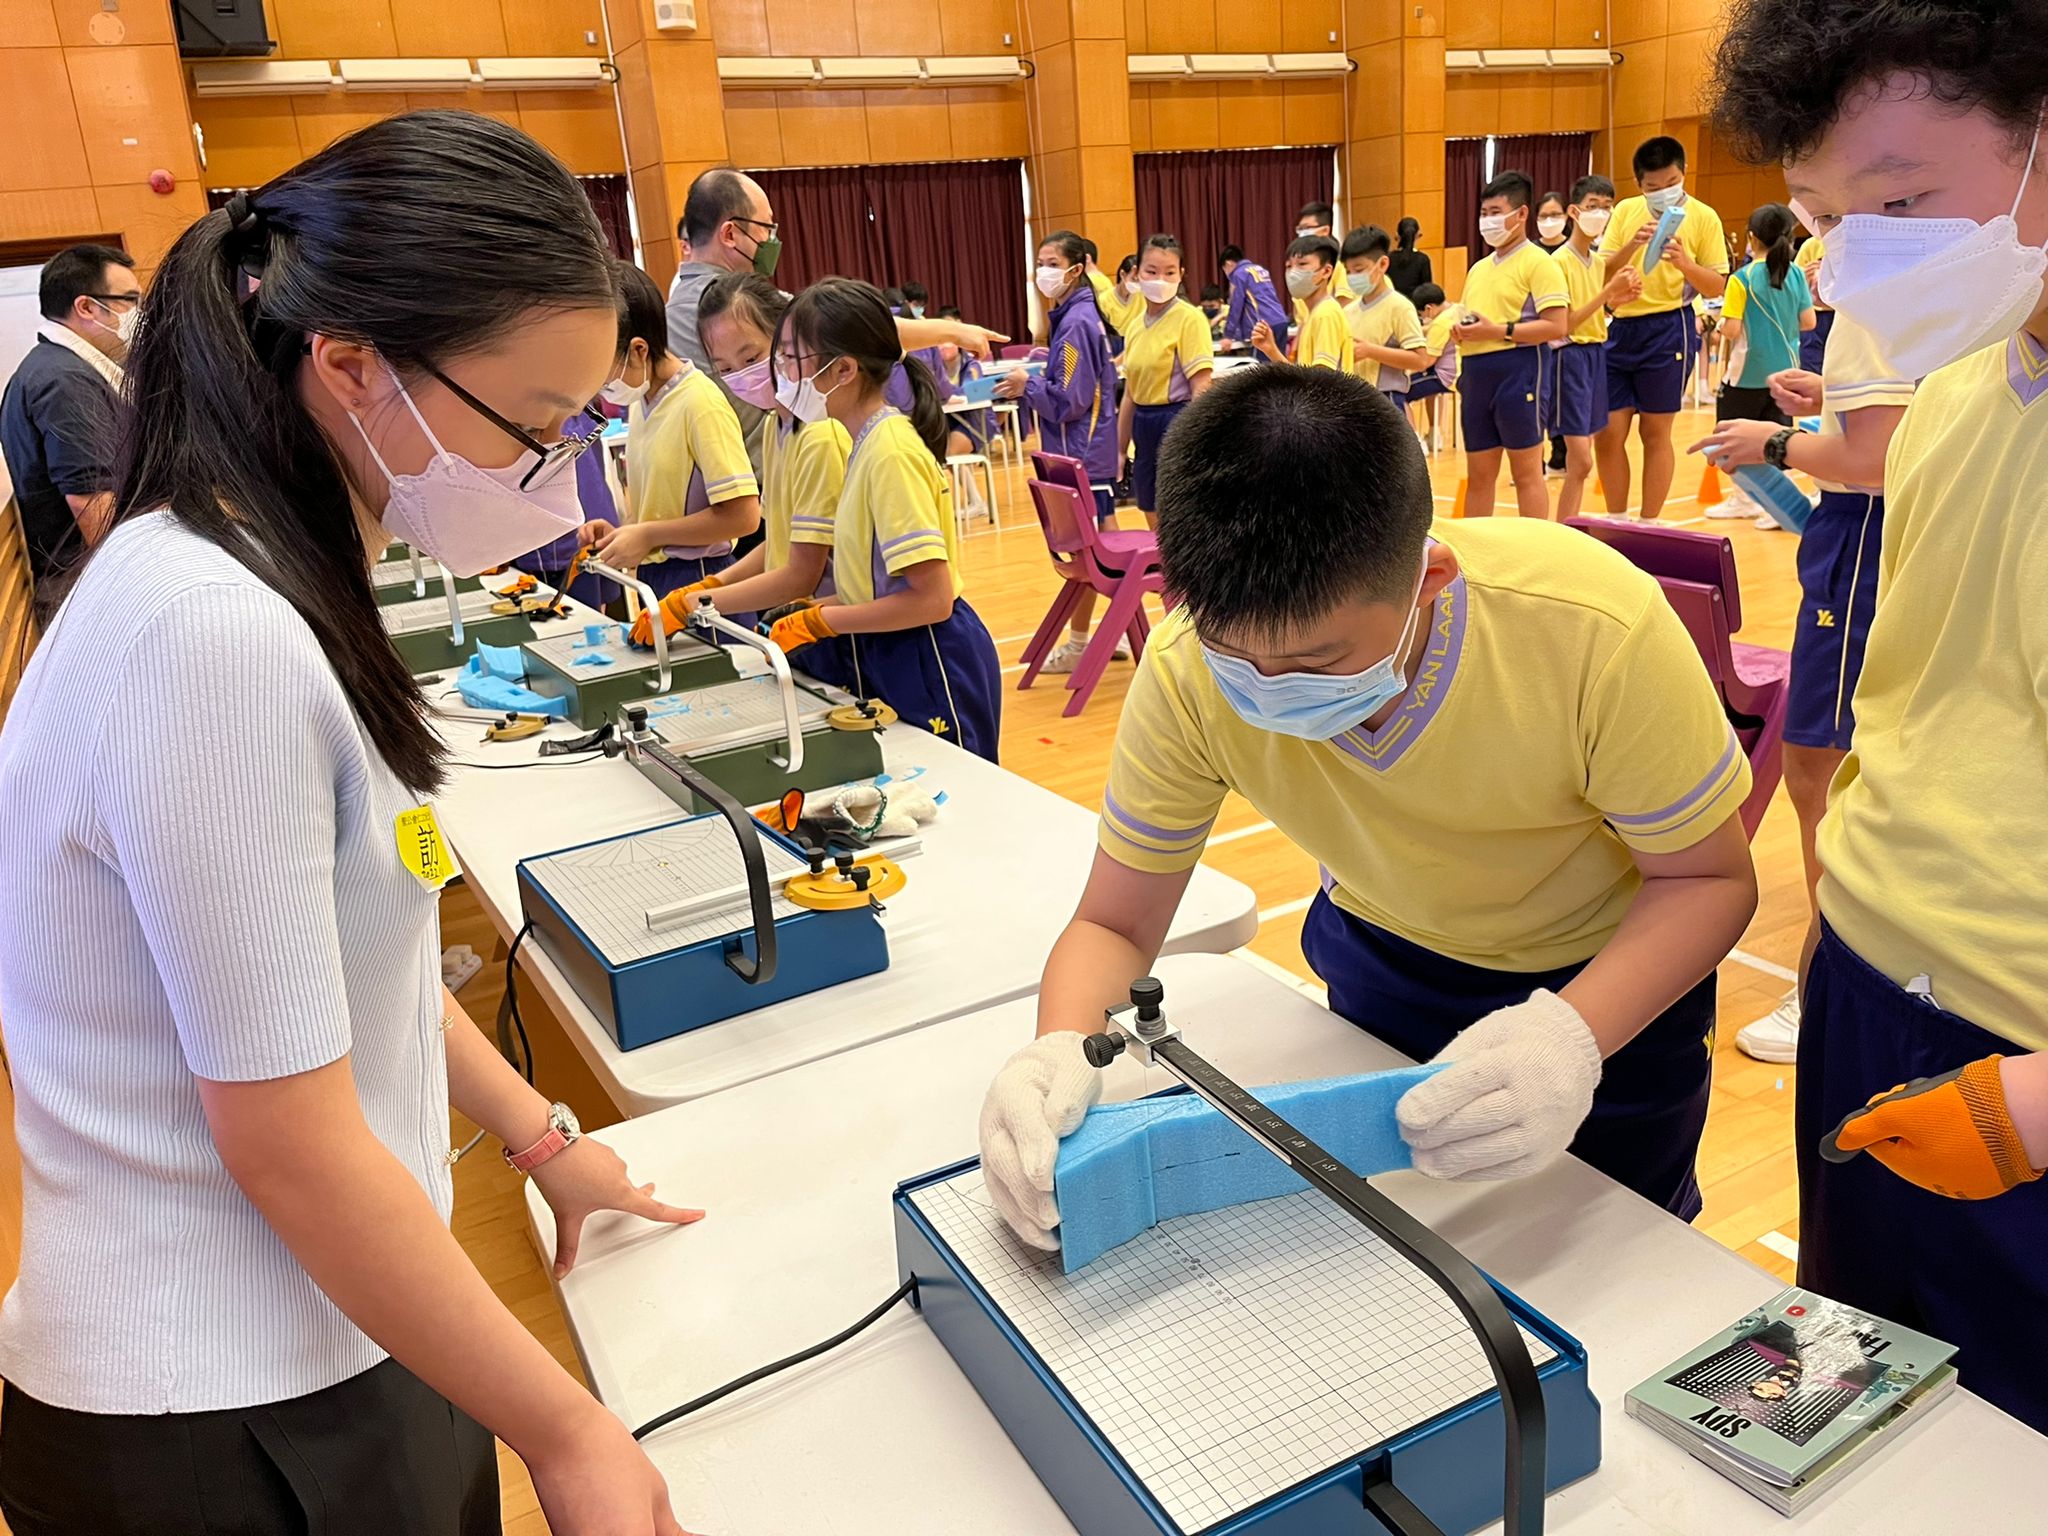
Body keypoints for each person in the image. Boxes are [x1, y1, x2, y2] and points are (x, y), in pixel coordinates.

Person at [0, 111, 695, 1536]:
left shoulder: (264, 569)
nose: (561, 479)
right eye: (534, 429)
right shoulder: (211, 634)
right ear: (353, 365)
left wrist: (541, 1138)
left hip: (329, 1333)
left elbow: (329, 958)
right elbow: (292, 1142)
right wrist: (569, 1433)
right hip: (221, 1409)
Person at [975, 367, 1758, 1253]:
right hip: (1376, 967)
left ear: (1429, 579)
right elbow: (1116, 924)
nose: (1269, 688)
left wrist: (1570, 1039)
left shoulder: (1587, 626)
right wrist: (1056, 1053)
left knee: (1610, 1265)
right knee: (1393, 1251)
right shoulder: (1186, 669)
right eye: (1238, 655)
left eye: (1316, 658)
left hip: (1605, 991)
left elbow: (1707, 879)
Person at [1707, 0, 2048, 1434]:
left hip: (2021, 1059)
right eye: (1826, 217)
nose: (1860, 260)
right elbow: (1921, 712)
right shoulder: (1967, 392)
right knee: (1837, 1422)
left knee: (2005, 1452)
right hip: (1869, 990)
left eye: (1906, 203)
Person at [1688, 311, 1908, 1065]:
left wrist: (1773, 443)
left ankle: (1827, 984)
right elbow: (1906, 417)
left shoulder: (1895, 297)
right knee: (1827, 760)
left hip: (1865, 530)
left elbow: (1878, 459)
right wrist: (1831, 401)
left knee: (1820, 764)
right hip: (1859, 530)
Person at [761, 277, 1002, 761]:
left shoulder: (889, 452)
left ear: (843, 369)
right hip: (893, 647)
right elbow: (877, 581)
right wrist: (815, 611)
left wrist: (824, 620)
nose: (782, 372)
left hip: (931, 654)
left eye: (792, 359)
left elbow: (931, 600)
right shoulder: (862, 441)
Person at [666, 169, 1007, 479]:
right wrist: (954, 330)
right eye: (766, 228)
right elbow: (853, 323)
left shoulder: (673, 304)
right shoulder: (733, 305)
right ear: (730, 233)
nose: (772, 240)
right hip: (762, 479)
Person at [634, 271, 848, 646]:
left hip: (839, 622)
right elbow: (781, 541)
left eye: (751, 357)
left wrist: (694, 602)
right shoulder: (774, 428)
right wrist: (713, 583)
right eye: (727, 369)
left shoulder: (819, 433)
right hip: (812, 621)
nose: (743, 376)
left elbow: (802, 573)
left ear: (787, 342)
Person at [581, 261, 761, 602]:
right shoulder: (641, 402)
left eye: (603, 369)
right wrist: (624, 534)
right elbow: (663, 507)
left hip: (703, 576)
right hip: (658, 577)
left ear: (639, 350)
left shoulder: (699, 401)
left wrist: (649, 535)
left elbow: (743, 516)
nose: (600, 384)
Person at [1000, 231, 1125, 674]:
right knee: (1103, 545)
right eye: (1040, 261)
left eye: (1052, 262)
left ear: (1076, 269)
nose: (1043, 271)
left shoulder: (1074, 322)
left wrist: (1026, 384)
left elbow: (1070, 400)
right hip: (1088, 452)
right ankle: (1122, 628)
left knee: (1084, 555)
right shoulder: (1075, 315)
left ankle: (1080, 643)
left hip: (1082, 456)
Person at [1595, 137, 1730, 520]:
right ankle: (1617, 517)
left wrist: (1685, 263)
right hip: (1620, 328)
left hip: (1671, 327)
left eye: (1671, 183)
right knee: (1607, 433)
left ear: (1683, 174)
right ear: (1640, 186)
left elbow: (1718, 285)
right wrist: (1631, 247)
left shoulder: (1704, 217)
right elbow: (1602, 271)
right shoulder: (1625, 211)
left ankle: (1650, 520)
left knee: (1655, 432)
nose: (1663, 193)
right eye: (1653, 188)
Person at [0, 243, 138, 610]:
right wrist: (141, 582)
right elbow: (91, 500)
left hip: (82, 573)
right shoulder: (64, 380)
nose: (138, 313)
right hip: (83, 580)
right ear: (87, 307)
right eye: (129, 299)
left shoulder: (60, 366)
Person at [1457, 169, 1570, 519]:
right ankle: (1474, 558)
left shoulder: (1540, 263)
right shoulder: (1477, 269)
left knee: (1526, 473)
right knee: (1479, 476)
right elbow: (1474, 320)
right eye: (1484, 213)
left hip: (1519, 371)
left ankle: (1535, 557)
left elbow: (1557, 325)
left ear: (1521, 214)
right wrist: (1459, 331)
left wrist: (1499, 331)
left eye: (1496, 212)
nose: (1488, 220)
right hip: (1476, 375)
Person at [1703, 203, 1815, 523]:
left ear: (1752, 238)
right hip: (1787, 373)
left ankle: (1744, 499)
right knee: (1779, 439)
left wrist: (1722, 322)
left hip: (1746, 374)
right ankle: (1780, 508)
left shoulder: (1742, 279)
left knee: (1730, 438)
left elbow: (1733, 329)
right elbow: (1807, 322)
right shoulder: (1794, 274)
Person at [1549, 176, 1644, 521]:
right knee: (1582, 459)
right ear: (1574, 211)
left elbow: (1595, 310)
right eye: (1593, 206)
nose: (1600, 214)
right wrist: (1608, 293)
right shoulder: (1559, 262)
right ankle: (1561, 532)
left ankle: (1565, 531)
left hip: (1595, 354)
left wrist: (1614, 302)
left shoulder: (1594, 260)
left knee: (1580, 464)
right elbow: (1566, 323)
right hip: (1569, 357)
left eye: (1607, 207)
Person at [1117, 235, 1215, 530]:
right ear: (1137, 273)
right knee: (1149, 506)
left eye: (1169, 272)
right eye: (1151, 271)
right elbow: (1129, 396)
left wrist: (1195, 439)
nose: (1160, 278)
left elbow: (1201, 385)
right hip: (1143, 426)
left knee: (1181, 515)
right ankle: (1165, 573)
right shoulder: (1134, 326)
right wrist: (1120, 449)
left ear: (1181, 274)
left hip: (1176, 419)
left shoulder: (1190, 319)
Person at [1340, 226, 1431, 416]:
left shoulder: (1399, 306)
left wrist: (1370, 351)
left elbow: (1420, 360)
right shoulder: (1348, 311)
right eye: (1348, 272)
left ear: (1382, 264)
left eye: (1359, 270)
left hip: (1385, 399)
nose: (1352, 277)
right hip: (1352, 398)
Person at [1255, 234, 1349, 373]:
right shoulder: (1312, 315)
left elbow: (1321, 381)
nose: (1293, 272)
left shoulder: (1326, 314)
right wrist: (1271, 349)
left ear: (1326, 271)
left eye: (1302, 264)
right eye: (1288, 266)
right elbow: (1304, 380)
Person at [1218, 243, 1289, 356]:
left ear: (1228, 264)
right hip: (1281, 321)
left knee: (1262, 370)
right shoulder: (1260, 270)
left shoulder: (1239, 274)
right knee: (1280, 367)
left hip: (1262, 327)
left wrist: (1228, 335)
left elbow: (1236, 306)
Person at [1794, 222, 1833, 372]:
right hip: (1814, 315)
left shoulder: (1849, 245)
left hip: (1841, 315)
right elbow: (1794, 284)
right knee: (1810, 366)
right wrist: (1804, 277)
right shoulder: (1811, 245)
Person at [1387, 216, 1434, 298]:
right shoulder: (1423, 259)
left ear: (1397, 235)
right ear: (1417, 235)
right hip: (1414, 307)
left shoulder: (1387, 258)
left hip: (1391, 305)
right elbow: (1427, 291)